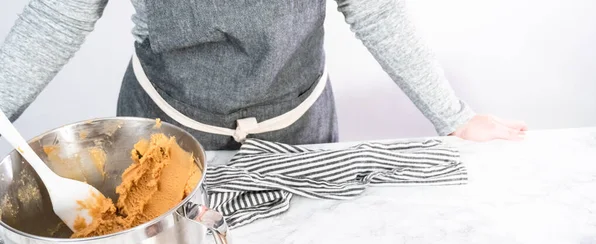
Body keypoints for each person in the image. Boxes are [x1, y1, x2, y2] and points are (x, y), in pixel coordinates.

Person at [0, 0, 527, 150]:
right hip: (162, 128)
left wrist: (453, 116)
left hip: (300, 129)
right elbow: (57, 14)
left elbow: (375, 9)